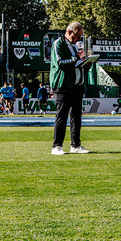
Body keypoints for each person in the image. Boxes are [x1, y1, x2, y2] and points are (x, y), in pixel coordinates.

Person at [50, 22, 91, 155]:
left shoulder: (74, 46)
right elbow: (61, 63)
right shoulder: (58, 44)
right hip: (62, 84)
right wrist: (76, 58)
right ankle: (56, 146)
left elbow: (77, 63)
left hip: (76, 85)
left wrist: (86, 63)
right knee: (61, 115)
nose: (78, 39)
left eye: (80, 36)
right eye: (77, 36)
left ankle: (76, 145)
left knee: (76, 116)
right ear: (69, 32)